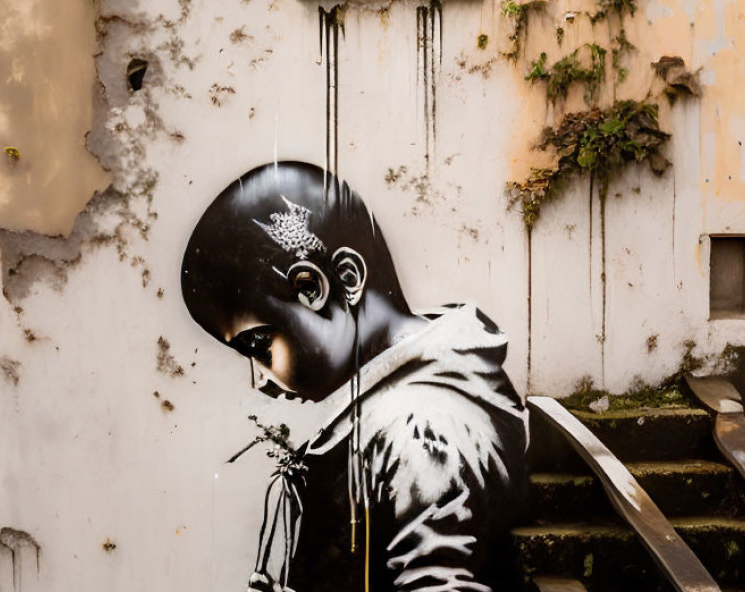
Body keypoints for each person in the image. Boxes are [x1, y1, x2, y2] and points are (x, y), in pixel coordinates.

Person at [181, 161, 527, 592]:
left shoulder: (419, 429)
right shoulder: (415, 404)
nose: (261, 381)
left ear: (332, 282)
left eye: (258, 346)